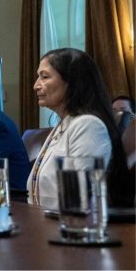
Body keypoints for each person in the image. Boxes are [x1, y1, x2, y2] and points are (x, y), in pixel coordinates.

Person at [27, 48, 133, 208]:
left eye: (45, 76)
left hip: (72, 228)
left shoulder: (88, 126)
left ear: (72, 82)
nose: (36, 85)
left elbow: (79, 200)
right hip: (43, 224)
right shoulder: (63, 124)